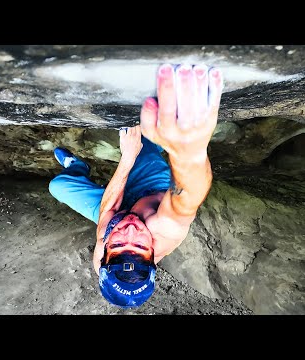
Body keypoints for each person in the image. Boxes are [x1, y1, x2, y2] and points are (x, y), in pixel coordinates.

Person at [49, 63, 223, 308]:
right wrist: (190, 153)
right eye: (140, 244)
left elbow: (108, 210)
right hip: (150, 185)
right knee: (145, 136)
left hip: (118, 207)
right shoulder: (165, 229)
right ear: (153, 255)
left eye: (119, 243)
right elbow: (188, 198)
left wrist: (127, 157)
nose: (129, 230)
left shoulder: (104, 261)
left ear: (106, 252)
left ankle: (78, 168)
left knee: (58, 186)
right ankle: (158, 140)